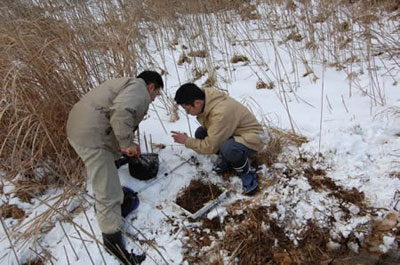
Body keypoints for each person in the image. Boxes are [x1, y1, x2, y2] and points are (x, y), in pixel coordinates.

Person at [66, 71, 163, 265]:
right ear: (151, 86)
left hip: (80, 129)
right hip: (92, 138)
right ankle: (114, 244)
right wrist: (127, 143)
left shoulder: (124, 84)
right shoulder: (138, 88)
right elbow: (121, 113)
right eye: (156, 93)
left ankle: (113, 198)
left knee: (110, 163)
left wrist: (125, 145)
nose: (154, 98)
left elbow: (113, 115)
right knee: (107, 190)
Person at [171, 83, 264, 195]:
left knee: (228, 148)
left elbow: (210, 147)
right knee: (200, 133)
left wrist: (186, 141)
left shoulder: (221, 112)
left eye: (187, 109)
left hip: (252, 137)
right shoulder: (205, 98)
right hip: (232, 131)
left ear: (197, 103)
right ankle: (227, 159)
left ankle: (246, 173)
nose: (187, 113)